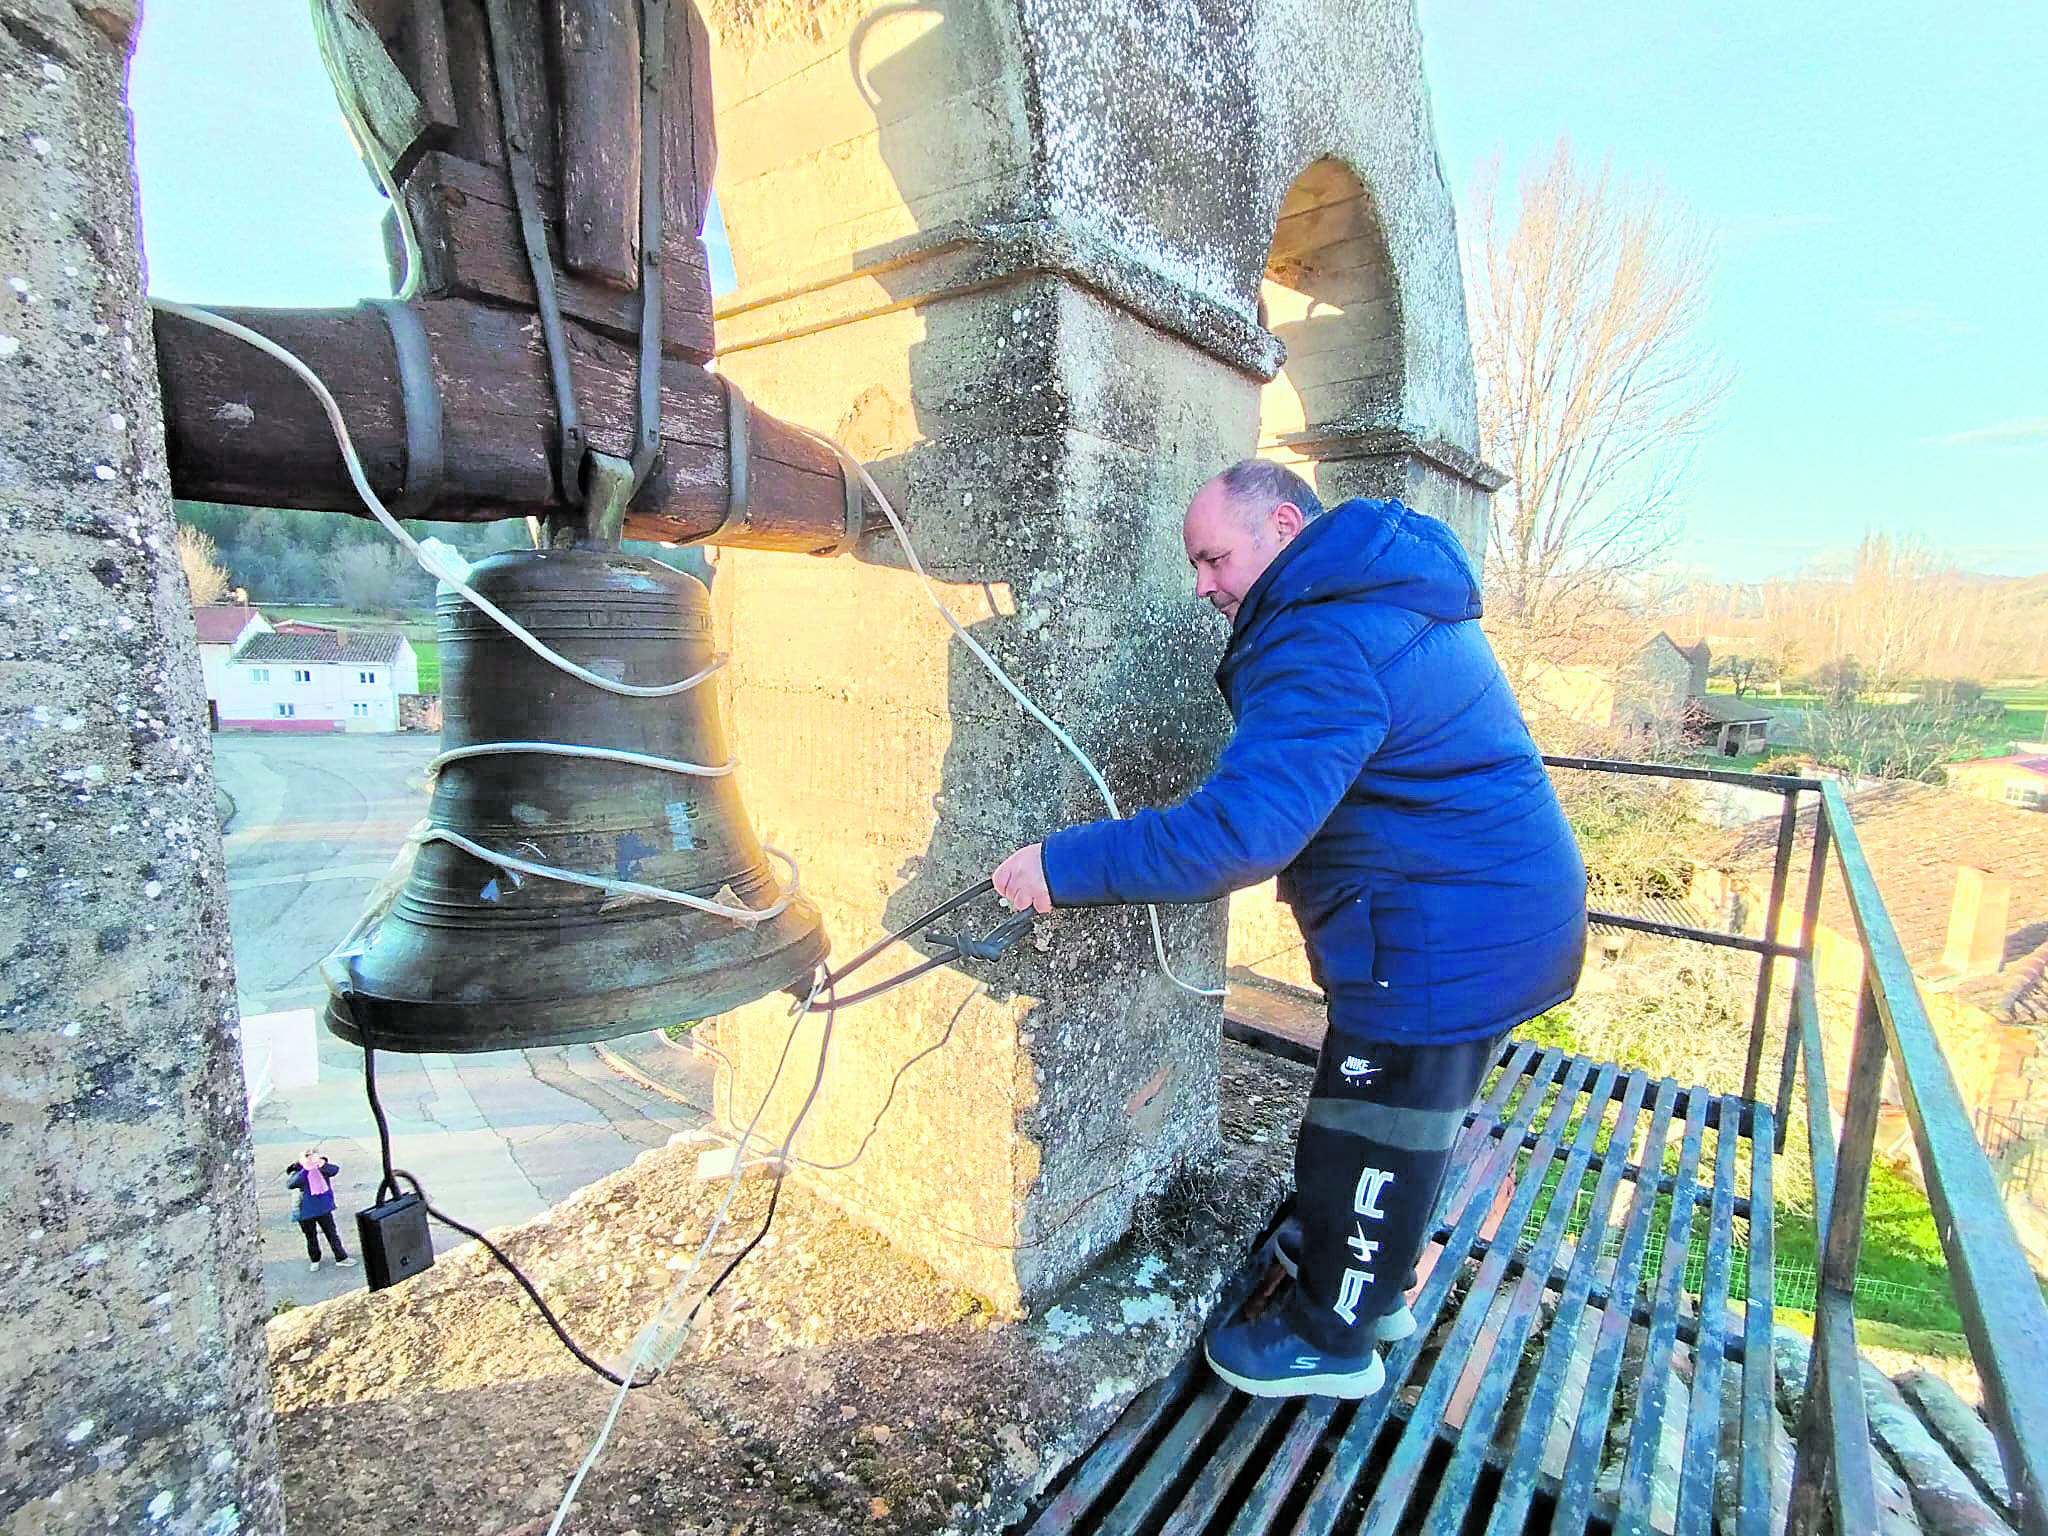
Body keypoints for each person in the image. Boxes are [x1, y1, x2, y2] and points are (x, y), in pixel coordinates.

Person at [991, 460, 1586, 1400]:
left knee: (1368, 1132)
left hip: (1443, 935)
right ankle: (1372, 1285)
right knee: (1400, 1123)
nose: (1202, 586)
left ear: (1279, 524)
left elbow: (1241, 832)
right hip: (1487, 911)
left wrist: (1062, 865)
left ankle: (1332, 1337)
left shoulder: (1320, 633)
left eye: (1213, 557)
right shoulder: (1374, 593)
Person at [287, 1149, 355, 1272]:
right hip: (305, 1211)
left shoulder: (322, 1168)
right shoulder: (297, 1170)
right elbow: (291, 1184)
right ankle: (315, 1259)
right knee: (311, 1236)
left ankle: (341, 1258)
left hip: (323, 1208)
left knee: (332, 1233)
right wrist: (305, 1169)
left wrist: (322, 1164)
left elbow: (334, 1170)